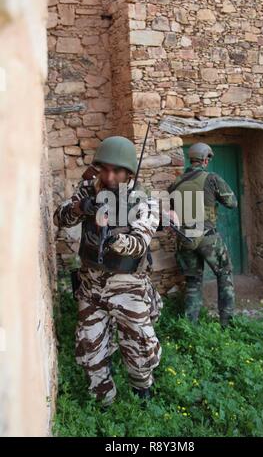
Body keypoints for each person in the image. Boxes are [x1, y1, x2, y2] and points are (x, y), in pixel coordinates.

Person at [54, 136, 162, 407]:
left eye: (117, 170)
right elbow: (60, 218)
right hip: (91, 287)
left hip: (128, 287)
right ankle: (103, 399)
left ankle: (141, 389)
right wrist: (81, 208)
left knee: (139, 346)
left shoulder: (142, 200)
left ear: (128, 172)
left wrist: (113, 236)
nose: (110, 175)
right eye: (105, 168)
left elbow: (139, 244)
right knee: (90, 346)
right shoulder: (89, 190)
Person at [168, 142, 237, 328]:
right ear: (205, 160)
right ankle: (227, 325)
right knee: (225, 274)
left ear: (191, 159)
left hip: (185, 239)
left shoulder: (175, 184)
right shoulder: (212, 178)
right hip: (207, 237)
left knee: (192, 281)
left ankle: (190, 327)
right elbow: (232, 203)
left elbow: (171, 213)